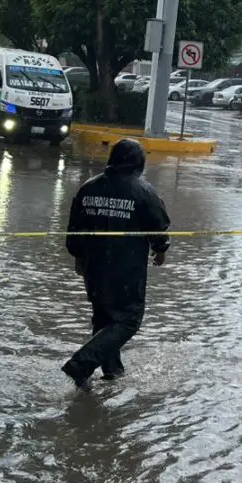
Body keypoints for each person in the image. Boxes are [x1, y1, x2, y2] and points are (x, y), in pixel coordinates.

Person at [62, 139, 171, 388]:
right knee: (128, 320)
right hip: (126, 270)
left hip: (94, 268)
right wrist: (161, 250)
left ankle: (111, 373)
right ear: (139, 163)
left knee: (103, 320)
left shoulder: (88, 188)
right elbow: (159, 226)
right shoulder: (143, 191)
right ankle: (81, 363)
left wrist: (78, 256)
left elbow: (74, 230)